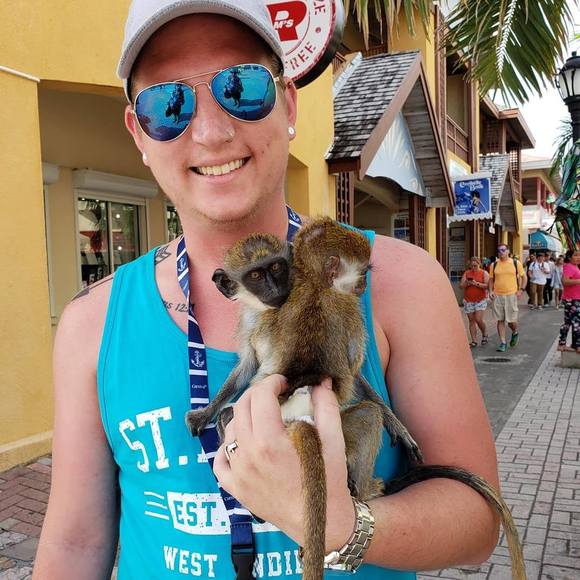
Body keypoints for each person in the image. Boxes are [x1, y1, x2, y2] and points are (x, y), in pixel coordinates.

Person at [32, 1, 499, 578]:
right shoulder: (93, 323)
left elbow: (477, 521)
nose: (211, 131)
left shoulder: (398, 282)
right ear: (139, 133)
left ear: (289, 104)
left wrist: (340, 527)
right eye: (167, 104)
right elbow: (74, 545)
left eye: (242, 87)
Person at [488, 244, 526, 352]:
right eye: (499, 250)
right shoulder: (494, 264)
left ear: (508, 251)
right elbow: (491, 279)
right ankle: (503, 342)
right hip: (498, 295)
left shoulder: (515, 263)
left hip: (511, 295)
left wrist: (521, 290)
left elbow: (524, 277)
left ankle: (515, 332)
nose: (501, 252)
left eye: (503, 250)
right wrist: (490, 291)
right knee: (500, 320)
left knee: (511, 321)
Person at [460, 257, 489, 347]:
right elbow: (461, 286)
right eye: (472, 266)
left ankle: (484, 333)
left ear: (479, 264)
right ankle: (474, 341)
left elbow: (487, 285)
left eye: (475, 266)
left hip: (480, 299)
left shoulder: (484, 273)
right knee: (471, 320)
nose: (473, 268)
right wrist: (467, 283)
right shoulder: (467, 273)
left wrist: (476, 283)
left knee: (478, 319)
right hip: (468, 300)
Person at [558, 249, 580, 352]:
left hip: (574, 298)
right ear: (569, 257)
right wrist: (579, 281)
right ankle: (578, 345)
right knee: (576, 322)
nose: (578, 257)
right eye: (575, 255)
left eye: (579, 255)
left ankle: (562, 344)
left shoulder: (574, 266)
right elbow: (565, 281)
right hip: (572, 299)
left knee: (568, 322)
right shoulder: (569, 266)